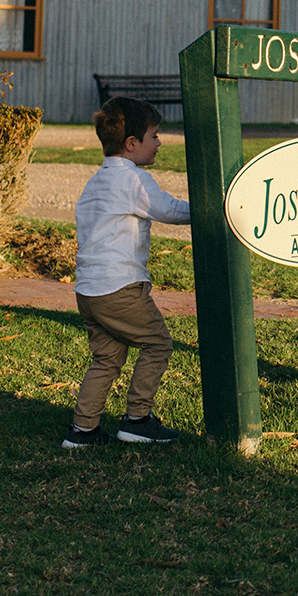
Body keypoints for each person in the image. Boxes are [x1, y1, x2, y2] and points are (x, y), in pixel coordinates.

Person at [63, 95, 192, 448]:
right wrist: (208, 208)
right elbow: (166, 209)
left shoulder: (95, 182)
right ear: (132, 143)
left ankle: (83, 431)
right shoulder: (133, 179)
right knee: (158, 343)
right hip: (119, 287)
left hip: (88, 291)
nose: (159, 142)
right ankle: (137, 419)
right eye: (154, 135)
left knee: (106, 357)